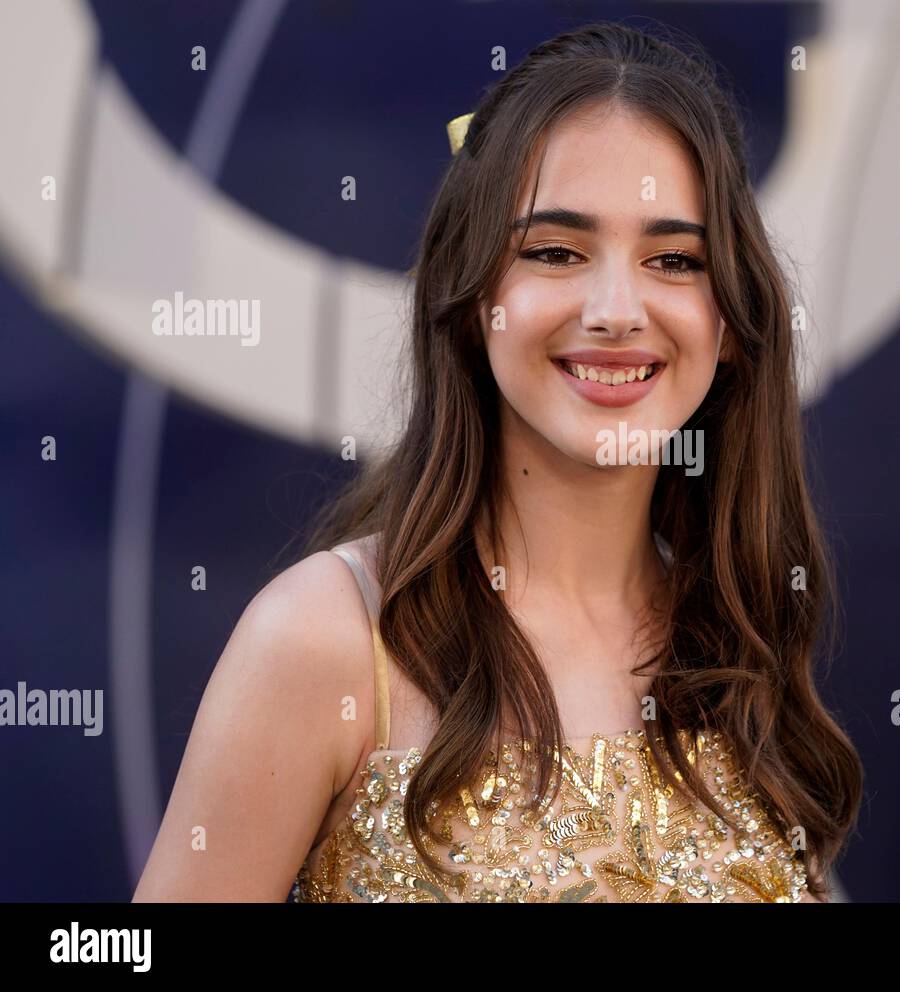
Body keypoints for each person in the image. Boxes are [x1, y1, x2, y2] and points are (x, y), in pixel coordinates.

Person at [134, 20, 862, 904]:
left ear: (732, 325)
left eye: (674, 260)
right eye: (555, 252)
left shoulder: (736, 638)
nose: (616, 309)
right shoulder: (326, 641)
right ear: (474, 294)